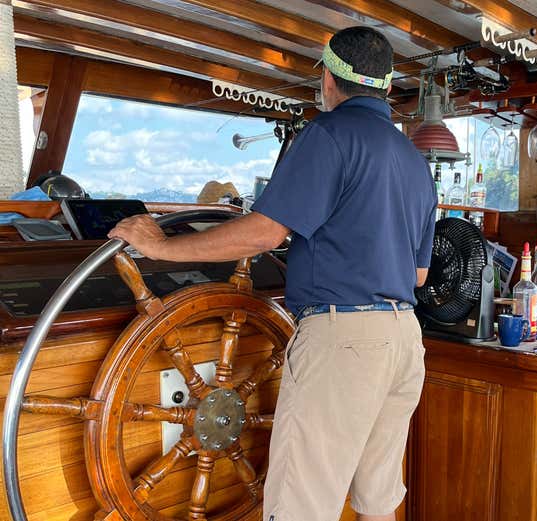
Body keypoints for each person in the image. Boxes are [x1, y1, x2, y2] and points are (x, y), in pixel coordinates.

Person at [109, 26, 436, 521]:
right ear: (387, 87)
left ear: (327, 80)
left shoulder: (326, 135)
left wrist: (160, 246)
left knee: (300, 506)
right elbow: (416, 274)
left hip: (343, 340)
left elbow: (264, 233)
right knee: (378, 498)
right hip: (404, 341)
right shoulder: (414, 160)